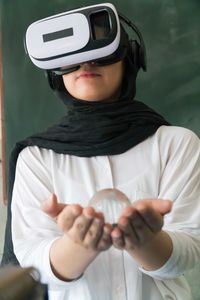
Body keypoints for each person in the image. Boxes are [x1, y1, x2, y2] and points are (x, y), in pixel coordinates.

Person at [1, 3, 200, 300]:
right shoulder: (36, 158)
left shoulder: (176, 144)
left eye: (100, 49)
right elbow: (32, 261)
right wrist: (79, 245)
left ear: (129, 58)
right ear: (56, 72)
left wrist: (146, 241)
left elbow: (191, 249)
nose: (85, 62)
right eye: (71, 56)